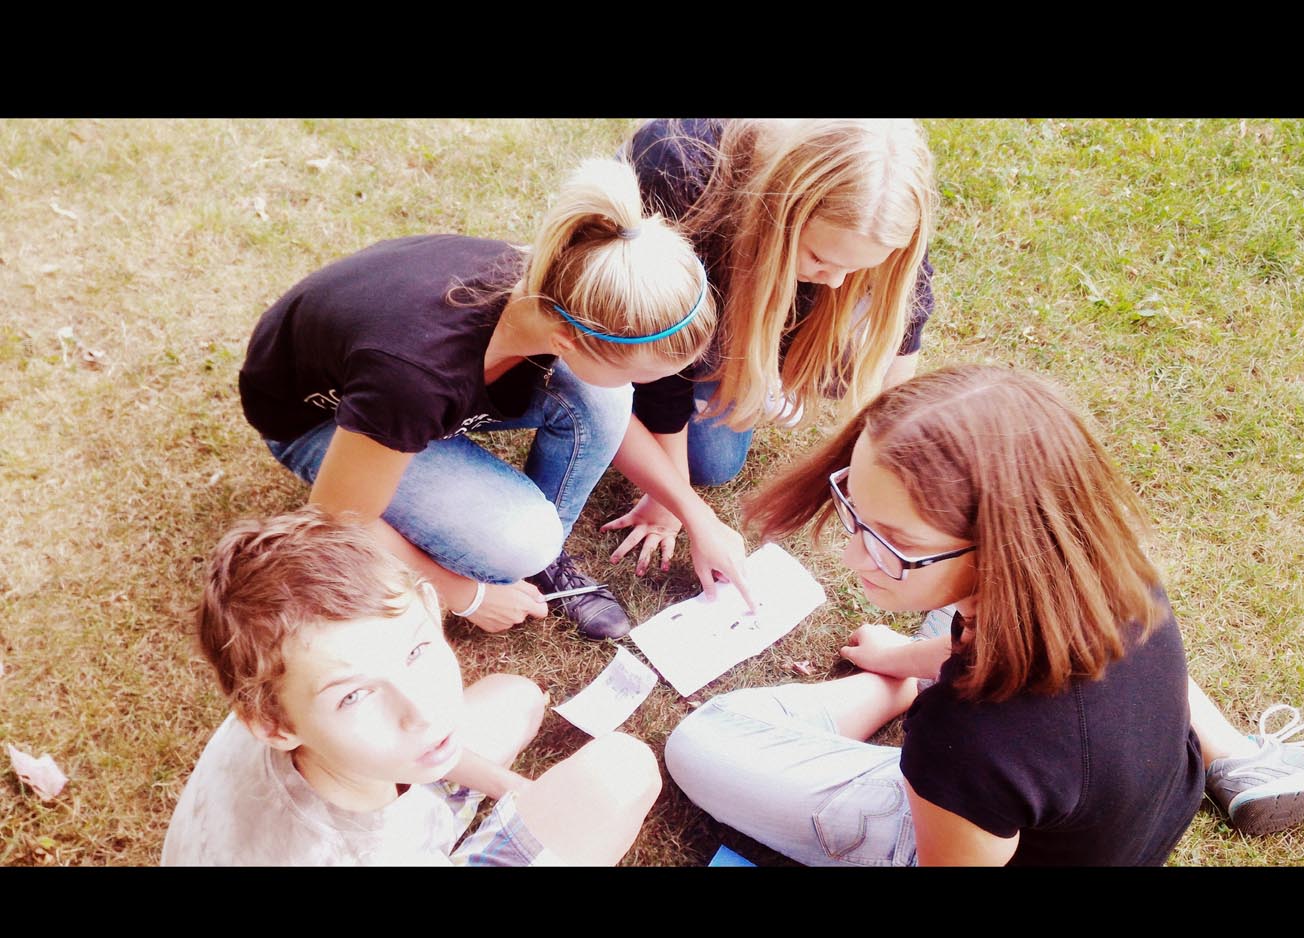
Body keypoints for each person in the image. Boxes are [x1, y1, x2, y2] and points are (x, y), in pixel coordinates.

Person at [664, 367, 1304, 865]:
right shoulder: (1108, 573)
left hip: (987, 828)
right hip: (1127, 810)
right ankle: (897, 679)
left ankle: (891, 692)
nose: (853, 553)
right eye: (855, 503)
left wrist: (930, 727)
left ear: (1003, 545)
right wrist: (903, 658)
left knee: (704, 738)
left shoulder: (969, 737)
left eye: (894, 541)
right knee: (932, 643)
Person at [238, 158, 715, 641]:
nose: (645, 388)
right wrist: (464, 594)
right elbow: (335, 522)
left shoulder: (563, 284)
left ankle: (539, 562)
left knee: (604, 398)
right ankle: (527, 555)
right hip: (316, 419)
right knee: (524, 540)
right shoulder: (416, 377)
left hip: (389, 386)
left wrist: (696, 515)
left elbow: (607, 414)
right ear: (568, 343)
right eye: (641, 376)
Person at [162, 507, 662, 866]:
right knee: (619, 776)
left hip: (365, 801)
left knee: (516, 698)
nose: (422, 711)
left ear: (428, 606)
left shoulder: (283, 675)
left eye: (416, 651)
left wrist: (511, 789)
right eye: (354, 696)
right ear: (273, 726)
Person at [601, 119, 935, 608]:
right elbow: (663, 357)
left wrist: (888, 454)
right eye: (820, 257)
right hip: (635, 302)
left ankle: (746, 358)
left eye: (860, 267)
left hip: (740, 285)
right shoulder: (680, 173)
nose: (837, 283)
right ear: (779, 211)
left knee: (714, 461)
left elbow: (905, 325)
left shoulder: (884, 200)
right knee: (703, 460)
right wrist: (676, 502)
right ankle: (722, 363)